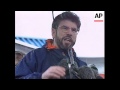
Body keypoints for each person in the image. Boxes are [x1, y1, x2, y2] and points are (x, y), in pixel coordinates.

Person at [15, 11, 87, 79]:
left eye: (74, 30)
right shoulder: (35, 56)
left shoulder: (81, 65)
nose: (70, 33)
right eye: (65, 28)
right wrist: (41, 77)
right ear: (53, 32)